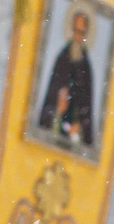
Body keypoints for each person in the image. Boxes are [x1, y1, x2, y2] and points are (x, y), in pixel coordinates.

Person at [36, 8, 99, 152]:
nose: (78, 36)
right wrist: (57, 109)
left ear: (86, 35)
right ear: (71, 30)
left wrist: (80, 125)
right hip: (55, 129)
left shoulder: (86, 67)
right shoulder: (62, 60)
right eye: (76, 31)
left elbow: (86, 108)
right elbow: (50, 99)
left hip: (74, 137)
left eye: (81, 32)